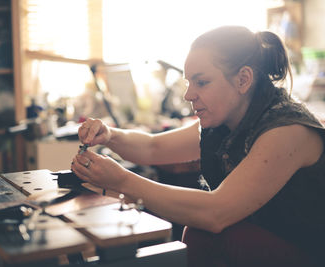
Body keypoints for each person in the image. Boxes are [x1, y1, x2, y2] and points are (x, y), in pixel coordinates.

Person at [71, 26, 325, 267]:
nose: (188, 94)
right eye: (188, 83)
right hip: (269, 240)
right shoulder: (227, 120)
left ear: (243, 79)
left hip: (310, 253)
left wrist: (122, 181)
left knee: (203, 234)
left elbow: (215, 213)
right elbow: (153, 148)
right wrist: (109, 135)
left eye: (201, 82)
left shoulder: (287, 131)